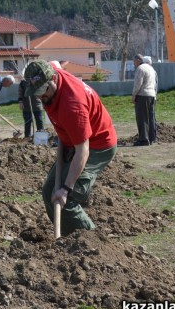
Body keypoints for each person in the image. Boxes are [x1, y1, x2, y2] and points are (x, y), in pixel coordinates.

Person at [23, 59, 117, 236]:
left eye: (43, 92)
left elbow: (83, 150)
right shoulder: (52, 73)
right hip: (73, 142)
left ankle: (91, 241)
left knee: (67, 198)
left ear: (53, 80)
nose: (40, 98)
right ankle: (67, 240)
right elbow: (53, 62)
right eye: (36, 93)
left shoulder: (72, 106)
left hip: (97, 145)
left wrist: (66, 189)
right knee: (49, 191)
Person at [131, 54, 158, 146]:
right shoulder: (151, 68)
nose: (134, 63)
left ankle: (143, 139)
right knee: (150, 118)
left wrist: (134, 96)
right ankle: (151, 138)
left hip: (142, 95)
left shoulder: (140, 69)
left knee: (142, 118)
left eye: (134, 61)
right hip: (152, 95)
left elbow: (138, 84)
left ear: (138, 60)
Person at [18, 65, 44, 137]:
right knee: (27, 122)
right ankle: (27, 137)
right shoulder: (23, 82)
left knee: (39, 121)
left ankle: (41, 136)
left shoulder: (39, 79)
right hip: (26, 105)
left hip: (37, 105)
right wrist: (20, 102)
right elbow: (20, 92)